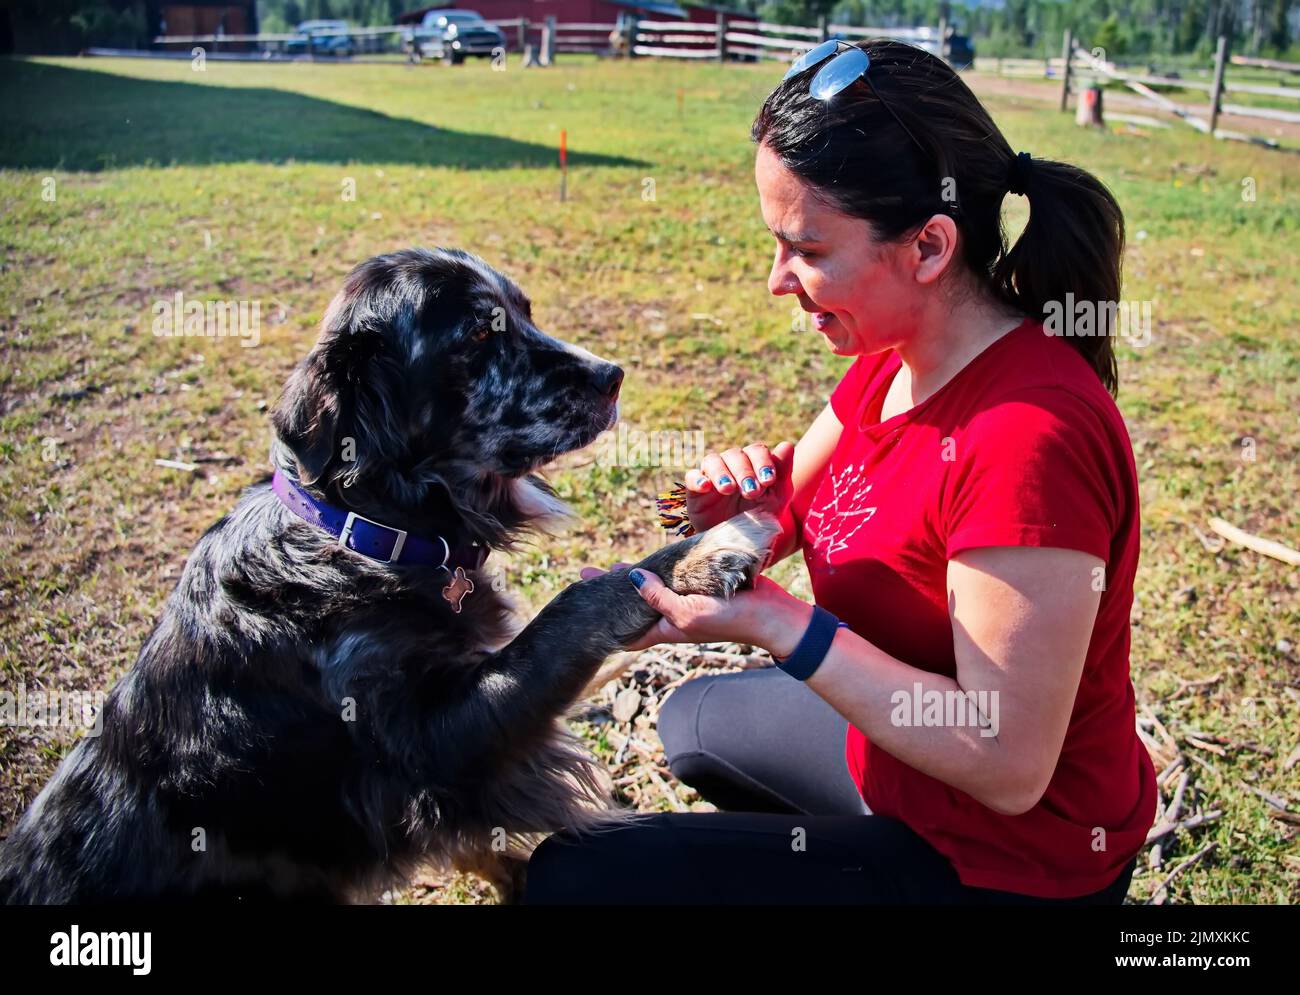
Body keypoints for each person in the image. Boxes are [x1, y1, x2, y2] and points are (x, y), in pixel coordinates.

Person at [524, 39, 1156, 904]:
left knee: (572, 880)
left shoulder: (1028, 439)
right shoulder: (896, 355)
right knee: (691, 724)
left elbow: (1009, 763)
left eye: (807, 249)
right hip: (901, 772)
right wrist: (729, 507)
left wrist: (786, 628)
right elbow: (793, 498)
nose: (778, 281)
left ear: (929, 247)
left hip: (1009, 863)